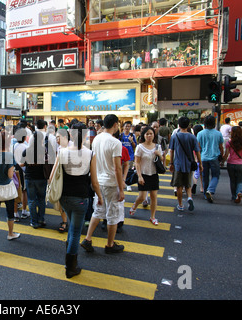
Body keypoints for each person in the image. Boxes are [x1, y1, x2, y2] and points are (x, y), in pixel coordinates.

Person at [51, 122, 103, 278]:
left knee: (72, 228)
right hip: (81, 197)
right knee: (74, 232)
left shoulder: (62, 152)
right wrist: (100, 196)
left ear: (71, 135)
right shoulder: (90, 154)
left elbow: (52, 177)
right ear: (86, 135)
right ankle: (70, 268)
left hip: (64, 197)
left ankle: (70, 262)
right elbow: (94, 182)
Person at [81, 115, 125, 255]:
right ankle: (110, 245)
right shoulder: (115, 142)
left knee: (98, 210)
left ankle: (88, 239)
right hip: (111, 182)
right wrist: (121, 188)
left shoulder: (97, 139)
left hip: (98, 181)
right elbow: (117, 168)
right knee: (112, 214)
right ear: (115, 125)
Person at [129, 126, 163, 225]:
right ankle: (135, 205)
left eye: (151, 133)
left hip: (154, 174)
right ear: (143, 135)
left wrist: (159, 155)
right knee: (142, 197)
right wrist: (139, 176)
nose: (149, 135)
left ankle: (153, 217)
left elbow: (161, 161)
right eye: (147, 134)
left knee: (154, 196)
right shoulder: (140, 147)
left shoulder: (157, 147)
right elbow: (137, 162)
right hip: (143, 174)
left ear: (154, 135)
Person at [169, 117, 202, 212]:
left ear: (178, 125)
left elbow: (171, 151)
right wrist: (200, 164)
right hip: (189, 164)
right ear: (188, 126)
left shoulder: (175, 136)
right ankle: (190, 198)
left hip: (178, 164)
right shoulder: (192, 137)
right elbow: (197, 151)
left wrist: (171, 163)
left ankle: (180, 204)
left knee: (179, 186)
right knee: (188, 184)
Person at [22, 130, 47, 228]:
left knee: (31, 200)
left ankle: (34, 222)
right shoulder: (44, 150)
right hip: (41, 178)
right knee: (41, 199)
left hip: (30, 177)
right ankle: (41, 219)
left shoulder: (28, 150)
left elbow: (21, 162)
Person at [197, 115, 224, 203]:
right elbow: (221, 147)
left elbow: (198, 147)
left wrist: (198, 158)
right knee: (215, 175)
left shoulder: (200, 133)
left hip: (203, 158)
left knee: (205, 176)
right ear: (214, 123)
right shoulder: (218, 133)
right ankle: (210, 190)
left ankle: (205, 193)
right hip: (214, 158)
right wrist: (222, 157)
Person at [222, 126, 242, 203]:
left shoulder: (229, 143)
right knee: (240, 181)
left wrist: (222, 162)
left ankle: (234, 196)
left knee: (232, 181)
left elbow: (226, 154)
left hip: (231, 163)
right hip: (241, 164)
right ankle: (239, 192)